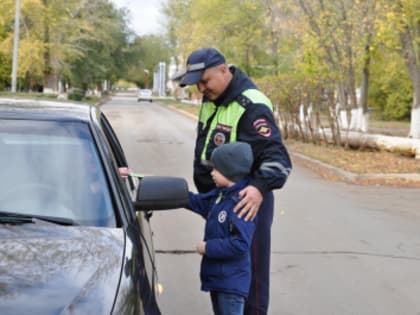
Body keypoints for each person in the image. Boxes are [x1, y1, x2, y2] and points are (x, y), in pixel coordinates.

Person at [180, 47, 292, 315]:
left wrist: (259, 188)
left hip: (247, 203)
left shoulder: (250, 104)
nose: (201, 89)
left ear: (223, 70)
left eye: (204, 81)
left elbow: (278, 158)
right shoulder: (213, 98)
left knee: (248, 281)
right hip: (221, 200)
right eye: (197, 84)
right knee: (224, 276)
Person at [187, 142, 256, 315]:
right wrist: (173, 192)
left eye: (216, 169)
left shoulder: (241, 204)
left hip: (231, 284)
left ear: (229, 171)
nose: (212, 173)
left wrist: (208, 248)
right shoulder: (221, 195)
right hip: (219, 280)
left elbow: (240, 244)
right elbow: (197, 202)